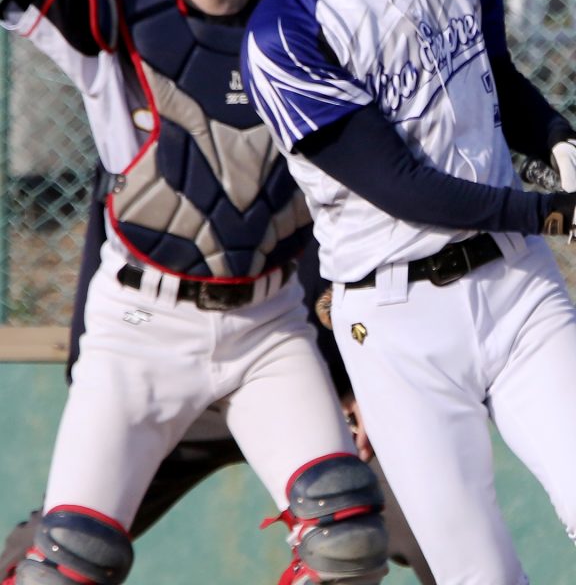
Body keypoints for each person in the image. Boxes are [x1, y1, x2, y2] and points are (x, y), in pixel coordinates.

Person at [0, 0, 389, 585]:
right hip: (140, 333)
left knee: (347, 537)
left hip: (269, 327)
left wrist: (349, 369)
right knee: (65, 565)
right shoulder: (112, 16)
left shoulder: (306, 18)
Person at [229, 0, 576, 585]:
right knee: (478, 573)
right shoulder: (284, 34)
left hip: (520, 290)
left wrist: (562, 141)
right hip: (398, 324)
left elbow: (498, 82)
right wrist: (555, 212)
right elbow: (399, 185)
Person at [0, 163, 436, 585]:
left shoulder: (325, 117)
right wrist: (92, 379)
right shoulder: (154, 118)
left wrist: (359, 377)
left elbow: (376, 238)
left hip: (300, 369)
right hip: (158, 360)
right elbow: (109, 231)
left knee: (372, 536)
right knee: (63, 553)